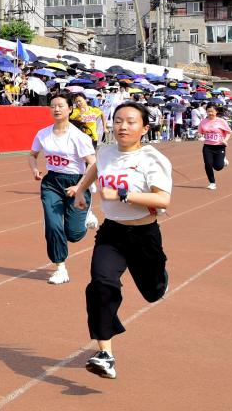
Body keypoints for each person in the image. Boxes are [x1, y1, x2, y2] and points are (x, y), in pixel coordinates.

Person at [69, 101, 172, 380]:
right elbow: (96, 171)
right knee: (101, 285)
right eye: (118, 121)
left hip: (144, 235)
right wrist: (80, 189)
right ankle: (105, 353)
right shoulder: (105, 151)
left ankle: (160, 276)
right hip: (112, 233)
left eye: (130, 121)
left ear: (144, 128)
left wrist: (123, 194)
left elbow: (162, 199)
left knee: (153, 292)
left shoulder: (153, 159)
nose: (122, 126)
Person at [29, 94, 97, 285]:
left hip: (77, 182)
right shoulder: (43, 133)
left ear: (69, 109)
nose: (56, 109)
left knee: (74, 234)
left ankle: (87, 215)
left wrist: (79, 186)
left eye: (60, 106)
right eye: (53, 106)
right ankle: (60, 268)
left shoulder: (78, 136)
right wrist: (35, 168)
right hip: (52, 183)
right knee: (52, 225)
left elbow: (93, 164)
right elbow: (32, 154)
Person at [198, 102, 232, 190]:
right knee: (208, 164)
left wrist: (225, 140)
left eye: (212, 111)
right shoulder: (203, 121)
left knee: (218, 167)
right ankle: (212, 182)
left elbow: (228, 132)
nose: (210, 113)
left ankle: (223, 161)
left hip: (219, 146)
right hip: (207, 146)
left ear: (216, 111)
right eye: (208, 111)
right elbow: (200, 132)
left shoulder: (221, 121)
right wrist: (200, 136)